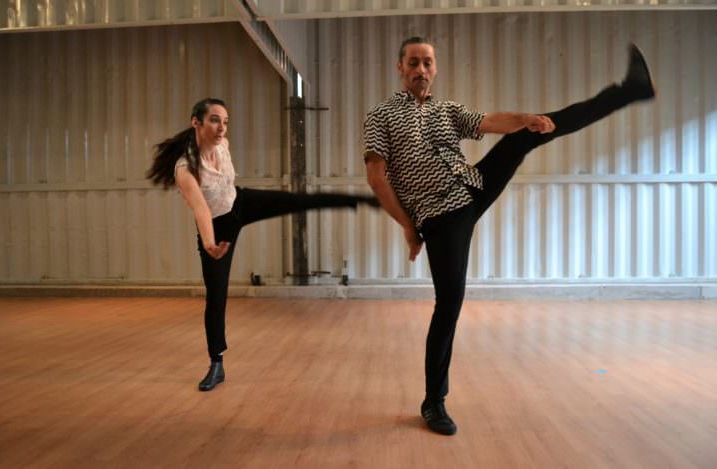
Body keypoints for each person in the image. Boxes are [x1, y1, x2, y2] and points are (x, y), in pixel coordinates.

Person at [363, 37, 655, 435]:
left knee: (527, 133)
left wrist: (526, 119)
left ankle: (629, 91)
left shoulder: (447, 110)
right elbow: (377, 179)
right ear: (400, 68)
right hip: (440, 216)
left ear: (435, 68)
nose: (421, 70)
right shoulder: (382, 116)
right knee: (448, 305)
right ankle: (434, 402)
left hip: (473, 186)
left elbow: (488, 122)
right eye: (413, 62)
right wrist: (410, 228)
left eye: (428, 63)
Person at [148, 98, 377, 391]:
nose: (222, 128)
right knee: (216, 296)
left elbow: (225, 186)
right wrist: (209, 243)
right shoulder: (185, 169)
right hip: (218, 226)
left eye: (225, 121)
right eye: (215, 120)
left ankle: (358, 201)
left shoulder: (223, 144)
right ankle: (216, 363)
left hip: (240, 201)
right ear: (197, 122)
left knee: (296, 201)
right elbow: (201, 210)